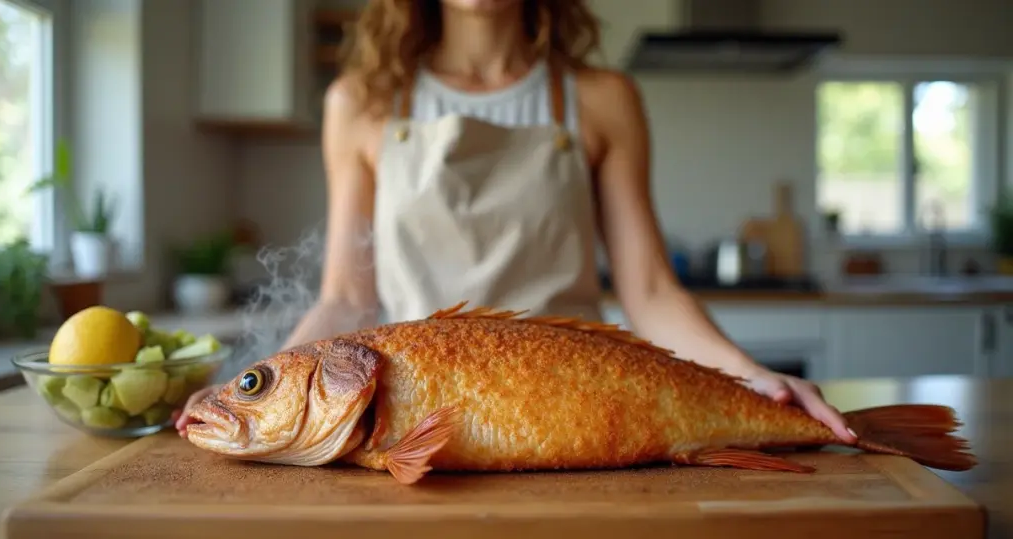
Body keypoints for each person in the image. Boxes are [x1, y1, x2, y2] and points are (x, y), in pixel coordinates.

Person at [172, 0, 855, 443]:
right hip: (419, 422)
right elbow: (346, 297)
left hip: (581, 411)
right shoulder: (361, 103)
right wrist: (254, 400)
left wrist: (746, 374)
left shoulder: (602, 99)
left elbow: (649, 289)